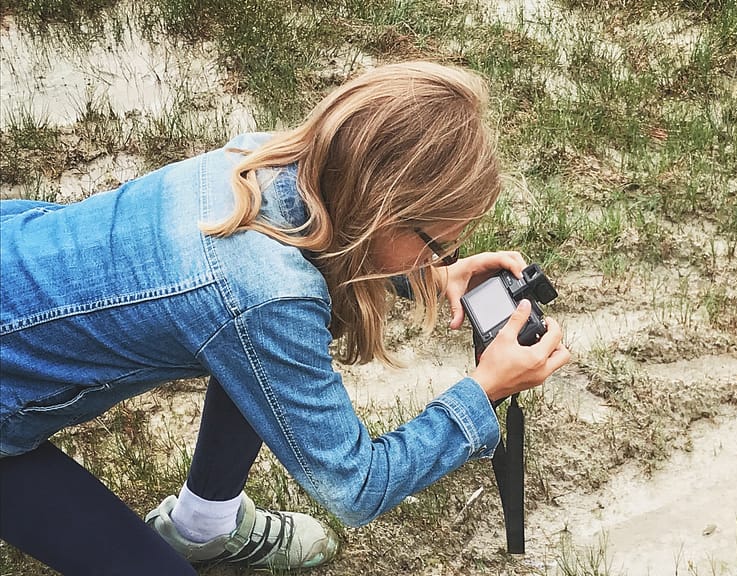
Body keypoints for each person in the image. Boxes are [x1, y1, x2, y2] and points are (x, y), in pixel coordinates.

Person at [0, 61, 571, 574]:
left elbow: (319, 259)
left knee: (251, 345)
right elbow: (356, 485)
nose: (443, 258)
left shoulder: (270, 161)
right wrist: (483, 390)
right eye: (437, 244)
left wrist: (424, 273)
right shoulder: (269, 296)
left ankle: (203, 527)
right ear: (386, 215)